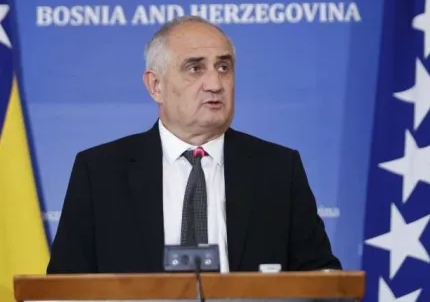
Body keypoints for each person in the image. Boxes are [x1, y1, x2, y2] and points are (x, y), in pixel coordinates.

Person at [46, 16, 341, 274]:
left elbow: (322, 281)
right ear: (155, 86)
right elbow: (64, 287)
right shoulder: (99, 172)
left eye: (223, 67)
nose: (215, 84)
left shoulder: (278, 169)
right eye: (195, 68)